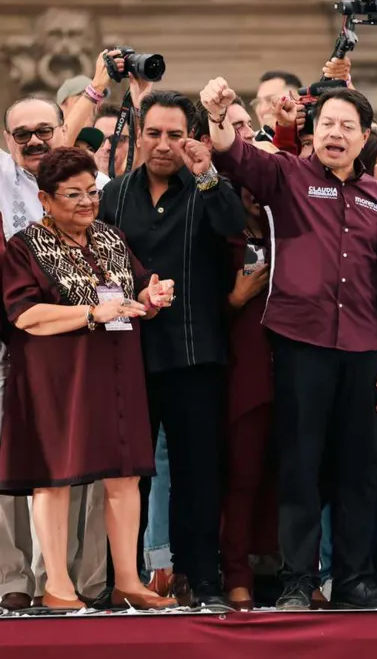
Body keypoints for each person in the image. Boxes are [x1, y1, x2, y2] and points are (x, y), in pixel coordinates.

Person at [204, 77, 377, 611]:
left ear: (365, 136)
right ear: (313, 130)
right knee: (300, 464)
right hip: (300, 341)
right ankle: (298, 581)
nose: (336, 134)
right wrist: (219, 116)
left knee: (360, 468)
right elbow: (234, 155)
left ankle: (354, 581)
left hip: (363, 347)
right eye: (328, 124)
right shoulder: (286, 175)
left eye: (347, 126)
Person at [0, 147, 176, 611]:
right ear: (44, 198)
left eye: (92, 192)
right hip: (56, 379)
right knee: (53, 478)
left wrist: (153, 296)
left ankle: (127, 582)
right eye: (73, 194)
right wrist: (92, 312)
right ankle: (58, 586)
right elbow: (24, 315)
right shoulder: (24, 246)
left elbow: (136, 293)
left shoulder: (110, 237)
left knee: (125, 476)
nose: (87, 202)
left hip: (118, 374)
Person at [98, 90, 246, 610]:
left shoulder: (207, 186)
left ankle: (201, 579)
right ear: (139, 136)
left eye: (175, 135)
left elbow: (234, 226)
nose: (163, 145)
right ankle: (124, 579)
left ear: (193, 139)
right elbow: (99, 266)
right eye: (154, 133)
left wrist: (207, 175)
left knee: (197, 473)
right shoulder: (114, 194)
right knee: (127, 476)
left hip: (195, 351)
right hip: (128, 352)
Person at [219, 184, 275, 609]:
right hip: (244, 370)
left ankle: (287, 571)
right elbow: (198, 307)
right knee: (243, 475)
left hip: (295, 367)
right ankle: (236, 573)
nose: (255, 195)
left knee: (293, 478)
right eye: (247, 187)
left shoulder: (291, 234)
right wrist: (235, 298)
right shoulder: (223, 236)